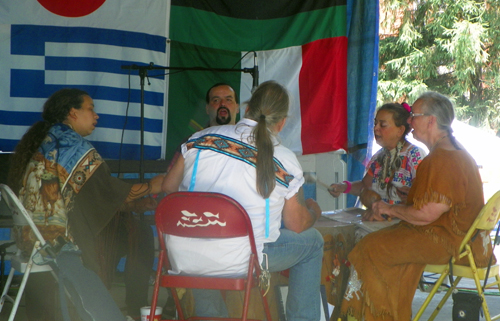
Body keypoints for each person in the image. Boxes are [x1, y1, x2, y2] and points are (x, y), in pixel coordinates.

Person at [162, 81, 325, 321]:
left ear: (246, 109)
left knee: (199, 239)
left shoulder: (199, 139)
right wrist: (314, 212)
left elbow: (168, 190)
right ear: (282, 123)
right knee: (314, 243)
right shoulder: (285, 158)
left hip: (182, 256)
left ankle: (210, 316)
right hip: (243, 261)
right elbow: (297, 224)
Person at [7, 88, 165, 320]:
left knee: (129, 228)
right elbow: (105, 191)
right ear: (73, 112)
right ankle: (134, 308)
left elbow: (87, 196)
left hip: (31, 236)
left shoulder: (48, 138)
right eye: (90, 109)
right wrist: (154, 186)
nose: (96, 115)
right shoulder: (72, 145)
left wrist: (131, 206)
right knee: (139, 233)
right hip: (56, 241)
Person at [339, 92, 494, 321]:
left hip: (448, 241)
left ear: (431, 120)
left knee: (370, 248)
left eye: (414, 116)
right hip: (455, 238)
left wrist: (388, 209)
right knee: (379, 245)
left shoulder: (443, 158)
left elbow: (425, 215)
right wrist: (410, 196)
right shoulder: (449, 151)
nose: (409, 121)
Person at [329, 103, 427, 210]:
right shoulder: (379, 157)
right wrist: (343, 187)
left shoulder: (415, 155)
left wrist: (411, 197)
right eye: (375, 123)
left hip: (403, 221)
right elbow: (365, 186)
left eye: (383, 125)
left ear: (400, 130)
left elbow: (424, 195)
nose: (376, 128)